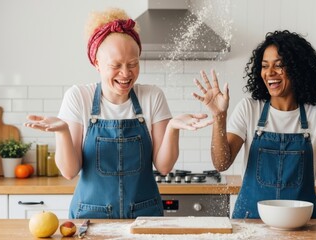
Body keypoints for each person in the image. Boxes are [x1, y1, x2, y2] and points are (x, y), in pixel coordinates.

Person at [24, 8, 213, 219]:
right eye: (116, 65)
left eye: (133, 64)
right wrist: (62, 132)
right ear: (96, 63)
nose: (126, 74)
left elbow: (164, 166)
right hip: (91, 217)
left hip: (144, 218)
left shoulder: (152, 96)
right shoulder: (78, 97)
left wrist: (172, 128)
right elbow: (69, 172)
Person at [193, 30, 316, 219]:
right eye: (264, 66)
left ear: (297, 68)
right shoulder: (249, 109)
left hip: (303, 225)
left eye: (279, 65)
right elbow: (221, 163)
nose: (270, 73)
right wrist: (219, 116)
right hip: (251, 222)